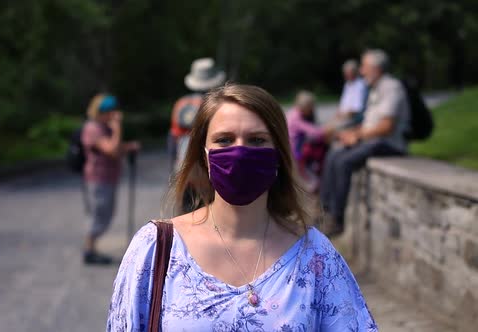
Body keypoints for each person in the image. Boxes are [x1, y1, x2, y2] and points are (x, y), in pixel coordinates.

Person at [107, 84, 377, 331]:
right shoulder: (156, 250)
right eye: (224, 140)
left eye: (257, 140)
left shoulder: (316, 257)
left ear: (279, 155)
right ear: (204, 155)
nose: (240, 152)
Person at [320, 49, 410, 236]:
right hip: (374, 140)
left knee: (344, 162)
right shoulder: (376, 88)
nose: (362, 72)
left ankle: (337, 219)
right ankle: (325, 210)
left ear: (376, 68)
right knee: (334, 155)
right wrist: (351, 133)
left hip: (389, 144)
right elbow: (370, 123)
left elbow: (386, 127)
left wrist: (358, 137)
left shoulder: (391, 87)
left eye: (365, 67)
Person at [81, 93, 140, 265]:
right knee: (100, 215)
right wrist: (117, 127)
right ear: (101, 112)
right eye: (110, 112)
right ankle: (89, 250)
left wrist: (128, 147)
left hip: (108, 177)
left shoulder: (103, 127)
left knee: (106, 214)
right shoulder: (93, 128)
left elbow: (115, 147)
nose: (114, 115)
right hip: (98, 178)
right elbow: (112, 150)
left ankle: (91, 248)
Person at [168, 57, 226, 212]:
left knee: (186, 212)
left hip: (183, 166)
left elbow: (173, 138)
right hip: (206, 169)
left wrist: (173, 165)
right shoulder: (215, 106)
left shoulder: (180, 104)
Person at [286, 91, 334, 192]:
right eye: (311, 107)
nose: (313, 109)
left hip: (295, 149)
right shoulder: (295, 117)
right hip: (294, 152)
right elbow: (314, 132)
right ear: (306, 106)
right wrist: (328, 130)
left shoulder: (294, 112)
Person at [332, 59, 368, 129]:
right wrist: (338, 114)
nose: (345, 75)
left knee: (333, 129)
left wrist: (342, 116)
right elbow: (343, 104)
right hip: (346, 116)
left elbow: (357, 109)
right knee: (328, 126)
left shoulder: (361, 85)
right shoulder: (347, 84)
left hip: (355, 118)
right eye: (345, 73)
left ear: (355, 72)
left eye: (348, 72)